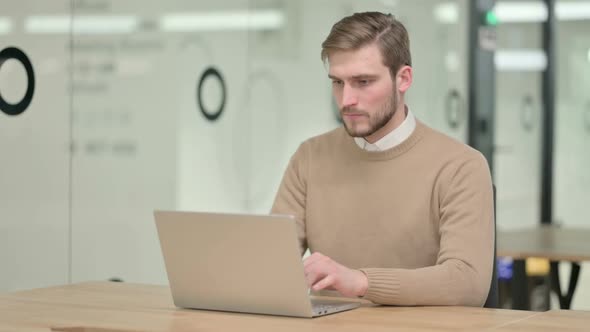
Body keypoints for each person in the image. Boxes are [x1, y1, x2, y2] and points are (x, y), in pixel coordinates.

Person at [271, 12, 494, 306]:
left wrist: (360, 282)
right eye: (337, 82)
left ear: (403, 79)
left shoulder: (460, 166)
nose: (346, 99)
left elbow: (467, 283)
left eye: (363, 81)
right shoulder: (309, 158)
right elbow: (271, 264)